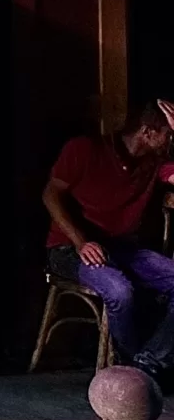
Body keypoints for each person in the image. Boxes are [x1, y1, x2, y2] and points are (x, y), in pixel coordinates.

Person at [43, 101, 174, 380]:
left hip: (120, 247)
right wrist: (81, 242)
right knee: (120, 292)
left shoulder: (155, 162)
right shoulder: (85, 149)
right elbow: (50, 195)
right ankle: (131, 367)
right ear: (148, 132)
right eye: (169, 134)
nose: (171, 140)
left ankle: (145, 365)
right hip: (70, 248)